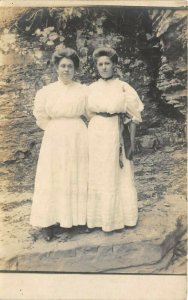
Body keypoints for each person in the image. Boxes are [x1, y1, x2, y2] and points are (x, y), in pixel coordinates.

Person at [30, 47, 88, 241]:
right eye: (62, 66)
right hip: (54, 136)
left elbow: (91, 113)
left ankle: (72, 220)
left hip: (78, 135)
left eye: (70, 66)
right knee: (51, 177)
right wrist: (56, 131)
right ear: (56, 67)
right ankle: (47, 222)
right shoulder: (46, 92)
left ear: (75, 69)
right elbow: (40, 116)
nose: (66, 70)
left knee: (75, 174)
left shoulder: (83, 91)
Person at [86, 47, 144, 232]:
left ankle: (122, 218)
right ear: (96, 66)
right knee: (99, 172)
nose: (104, 67)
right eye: (100, 64)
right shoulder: (91, 89)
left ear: (114, 65)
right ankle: (99, 219)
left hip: (116, 132)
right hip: (96, 133)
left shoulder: (123, 87)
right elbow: (86, 114)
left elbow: (133, 117)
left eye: (107, 63)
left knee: (119, 172)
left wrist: (132, 143)